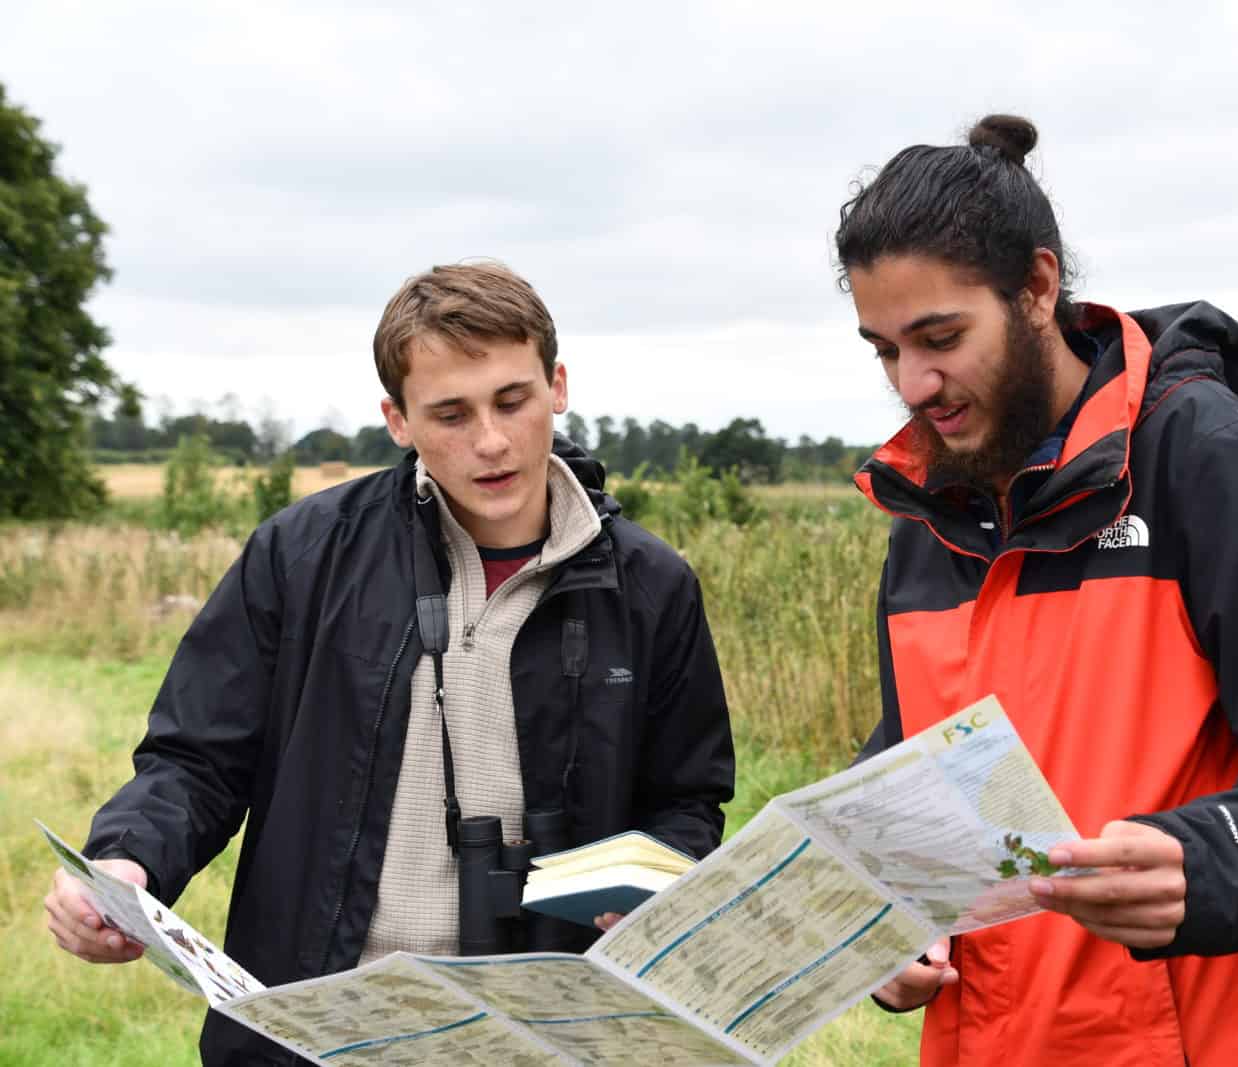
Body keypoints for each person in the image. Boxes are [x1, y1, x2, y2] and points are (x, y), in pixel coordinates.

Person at [840, 115, 1238, 1065]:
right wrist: (888, 924)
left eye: (940, 336)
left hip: (1189, 1040)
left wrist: (1212, 860)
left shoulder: (1198, 453)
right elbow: (914, 769)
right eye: (883, 350)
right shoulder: (924, 507)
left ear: (1037, 287)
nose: (915, 382)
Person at [43, 262, 735, 1065]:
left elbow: (687, 801)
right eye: (449, 412)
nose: (491, 440)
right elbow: (196, 759)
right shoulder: (302, 555)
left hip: (543, 1038)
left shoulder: (650, 586)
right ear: (397, 420)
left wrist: (658, 880)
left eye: (513, 400)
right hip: (314, 1029)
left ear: (559, 384)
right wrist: (128, 860)